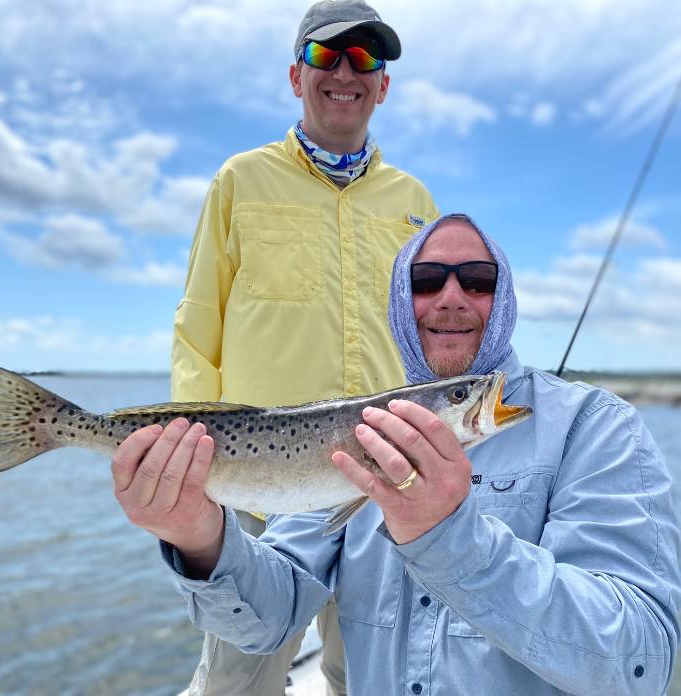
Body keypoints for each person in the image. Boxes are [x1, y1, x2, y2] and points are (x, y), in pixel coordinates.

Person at [113, 213, 681, 695]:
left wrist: (448, 535)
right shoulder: (356, 429)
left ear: (503, 296)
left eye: (478, 280)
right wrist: (201, 540)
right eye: (427, 279)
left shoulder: (595, 427)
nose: (452, 297)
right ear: (399, 303)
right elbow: (270, 619)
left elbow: (643, 660)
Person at [169, 0, 438, 693]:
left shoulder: (416, 202)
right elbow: (197, 325)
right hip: (257, 486)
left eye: (364, 59)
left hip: (386, 489)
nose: (344, 72)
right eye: (326, 55)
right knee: (238, 677)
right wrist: (192, 464)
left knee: (371, 676)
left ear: (383, 84)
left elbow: (433, 337)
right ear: (296, 76)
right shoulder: (240, 180)